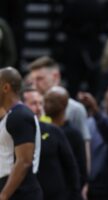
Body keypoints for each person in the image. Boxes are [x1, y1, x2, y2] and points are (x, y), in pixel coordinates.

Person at [28, 56, 91, 175]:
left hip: (66, 175)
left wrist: (85, 182)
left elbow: (83, 146)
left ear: (55, 76)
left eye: (40, 79)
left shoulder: (75, 109)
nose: (35, 84)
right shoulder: (31, 107)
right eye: (33, 80)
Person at [21, 87, 82, 200]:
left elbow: (71, 165)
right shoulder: (14, 134)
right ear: (21, 106)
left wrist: (75, 193)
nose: (39, 108)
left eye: (40, 103)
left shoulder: (53, 130)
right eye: (33, 103)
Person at [0, 67, 42, 200]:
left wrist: (4, 195)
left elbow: (24, 161)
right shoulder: (11, 115)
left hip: (20, 192)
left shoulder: (20, 116)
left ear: (6, 87)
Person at [43, 86, 87, 195]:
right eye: (45, 101)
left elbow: (80, 166)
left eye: (51, 101)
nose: (46, 105)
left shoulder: (73, 133)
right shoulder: (43, 130)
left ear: (64, 104)